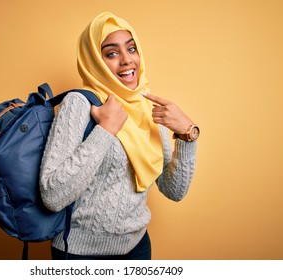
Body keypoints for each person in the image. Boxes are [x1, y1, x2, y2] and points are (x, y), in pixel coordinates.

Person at [39, 12, 199, 260]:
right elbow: (52, 195)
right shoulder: (79, 103)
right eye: (112, 53)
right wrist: (105, 130)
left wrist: (187, 135)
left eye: (131, 49)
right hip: (81, 254)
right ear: (94, 60)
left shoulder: (144, 103)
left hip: (138, 248)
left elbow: (173, 190)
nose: (126, 60)